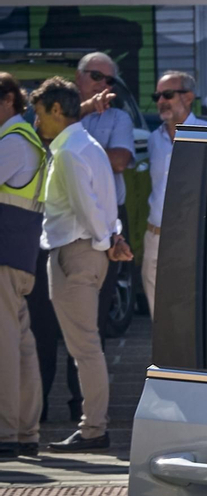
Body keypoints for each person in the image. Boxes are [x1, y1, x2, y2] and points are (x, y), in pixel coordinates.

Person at [31, 77, 133, 452]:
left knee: (85, 349)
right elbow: (103, 205)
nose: (36, 122)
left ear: (57, 110)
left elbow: (88, 206)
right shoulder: (86, 145)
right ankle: (93, 428)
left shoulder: (71, 151)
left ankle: (93, 429)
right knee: (87, 347)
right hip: (88, 249)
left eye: (39, 113)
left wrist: (107, 240)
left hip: (76, 252)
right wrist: (112, 238)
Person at [143, 71, 207, 319]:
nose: (160, 101)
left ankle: (205, 361)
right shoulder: (154, 140)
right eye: (157, 96)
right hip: (154, 237)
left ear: (188, 97)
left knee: (198, 321)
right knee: (161, 320)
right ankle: (167, 360)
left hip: (195, 239)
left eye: (167, 94)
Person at [73, 53, 133, 377]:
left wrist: (68, 151)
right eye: (96, 76)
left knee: (97, 312)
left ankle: (83, 400)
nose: (103, 85)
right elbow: (39, 142)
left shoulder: (118, 118)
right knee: (48, 316)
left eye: (110, 80)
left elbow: (120, 160)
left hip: (107, 219)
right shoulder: (56, 112)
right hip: (62, 220)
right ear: (78, 78)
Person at [0, 74, 45, 459]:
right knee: (22, 345)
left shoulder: (12, 142)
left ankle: (7, 433)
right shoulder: (24, 139)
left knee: (5, 347)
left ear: (7, 101)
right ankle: (26, 431)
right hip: (19, 252)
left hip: (5, 255)